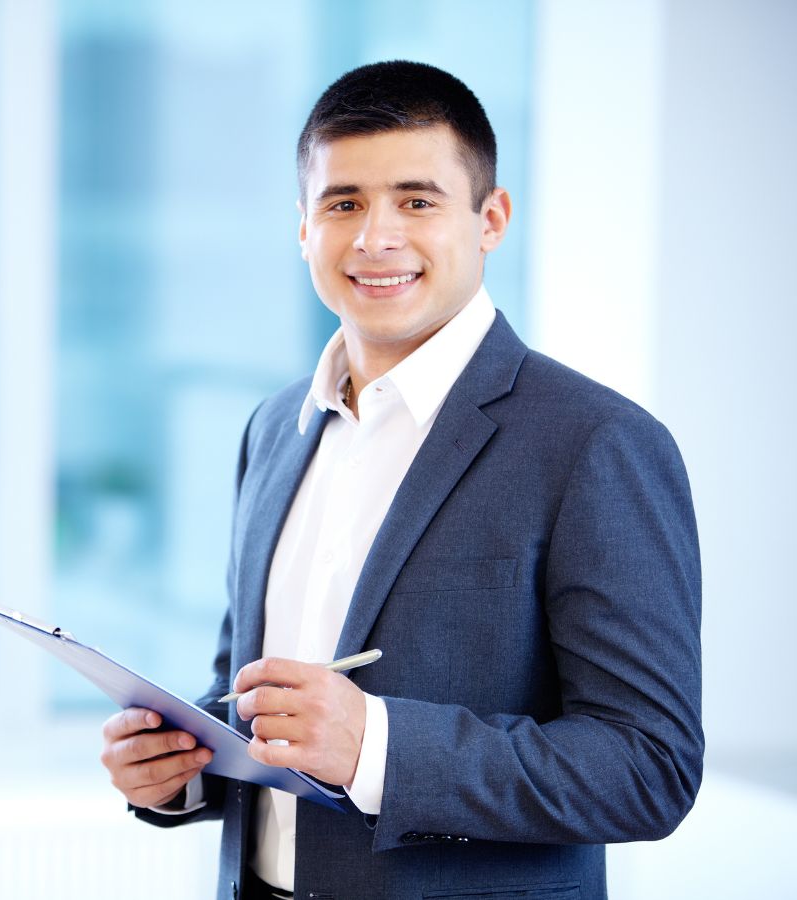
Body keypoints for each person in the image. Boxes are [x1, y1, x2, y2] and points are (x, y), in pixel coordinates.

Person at [98, 60, 702, 900]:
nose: (375, 238)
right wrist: (182, 772)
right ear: (302, 228)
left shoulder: (596, 442)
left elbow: (649, 767)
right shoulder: (274, 428)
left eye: (417, 201)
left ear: (491, 220)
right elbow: (251, 692)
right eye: (342, 203)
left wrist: (377, 745)